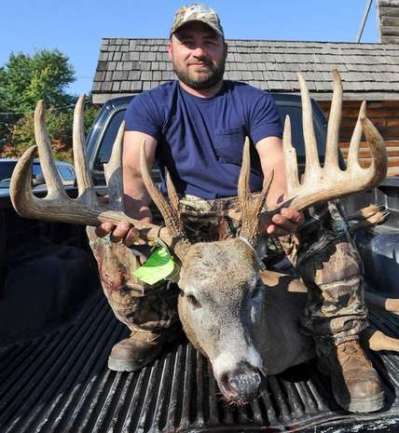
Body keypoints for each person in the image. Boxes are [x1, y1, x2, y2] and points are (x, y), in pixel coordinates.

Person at [90, 4, 384, 413]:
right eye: (187, 42)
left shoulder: (252, 100)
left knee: (322, 217)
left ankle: (341, 340)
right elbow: (136, 171)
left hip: (249, 223)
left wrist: (281, 209)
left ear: (223, 48)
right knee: (110, 234)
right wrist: (137, 224)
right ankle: (152, 329)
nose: (198, 51)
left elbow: (276, 164)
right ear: (170, 50)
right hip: (184, 232)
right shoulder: (150, 105)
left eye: (208, 42)